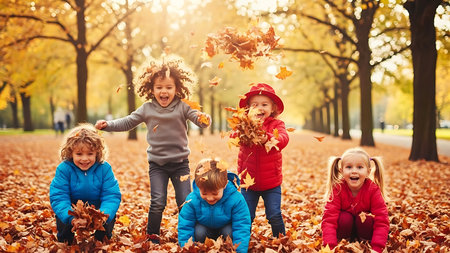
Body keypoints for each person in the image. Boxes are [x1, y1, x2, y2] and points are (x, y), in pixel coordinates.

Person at [95, 58, 210, 243]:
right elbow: (128, 121)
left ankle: (188, 235)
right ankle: (152, 236)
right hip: (157, 165)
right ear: (151, 89)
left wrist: (205, 119)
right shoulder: (147, 108)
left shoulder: (183, 106)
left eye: (169, 87)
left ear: (177, 88)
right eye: (159, 87)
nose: (164, 91)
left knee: (185, 202)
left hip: (181, 165)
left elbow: (198, 119)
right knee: (158, 202)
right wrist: (108, 125)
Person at [49, 123, 121, 244]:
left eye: (90, 154)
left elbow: (111, 195)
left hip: (98, 210)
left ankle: (101, 239)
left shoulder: (104, 169)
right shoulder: (64, 169)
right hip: (72, 210)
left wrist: (100, 217)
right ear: (70, 153)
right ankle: (65, 240)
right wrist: (71, 218)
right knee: (62, 218)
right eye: (79, 154)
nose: (84, 159)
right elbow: (59, 196)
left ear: (97, 153)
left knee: (110, 216)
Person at [235, 83, 289, 238]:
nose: (259, 108)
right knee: (246, 216)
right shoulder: (244, 124)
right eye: (255, 104)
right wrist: (241, 133)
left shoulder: (276, 125)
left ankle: (281, 240)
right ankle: (241, 241)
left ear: (272, 108)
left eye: (264, 104)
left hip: (271, 182)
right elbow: (234, 138)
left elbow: (283, 139)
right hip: (248, 183)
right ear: (248, 108)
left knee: (274, 215)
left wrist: (268, 138)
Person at [321, 147, 389, 253]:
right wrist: (330, 247)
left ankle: (364, 242)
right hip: (344, 232)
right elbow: (329, 220)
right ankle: (345, 242)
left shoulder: (373, 190)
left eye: (359, 167)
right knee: (344, 218)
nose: (354, 171)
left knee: (365, 218)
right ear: (341, 171)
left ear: (368, 171)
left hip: (365, 231)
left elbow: (382, 220)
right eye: (349, 167)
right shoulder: (338, 189)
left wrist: (377, 248)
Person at [178, 158, 251, 253]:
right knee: (199, 232)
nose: (210, 198)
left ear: (224, 185)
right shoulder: (192, 199)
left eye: (215, 193)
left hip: (225, 229)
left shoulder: (236, 199)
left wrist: (240, 250)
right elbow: (185, 224)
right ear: (198, 186)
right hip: (204, 230)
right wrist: (187, 248)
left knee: (229, 232)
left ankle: (226, 246)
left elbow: (242, 224)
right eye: (204, 193)